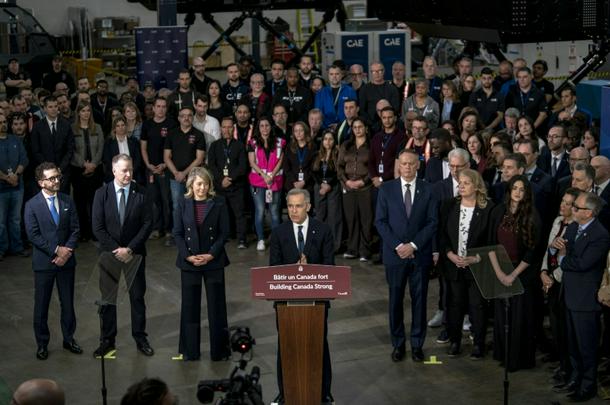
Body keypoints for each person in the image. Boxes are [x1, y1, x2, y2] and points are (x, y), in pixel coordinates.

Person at [268, 188, 335, 405]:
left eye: (298, 206)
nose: (293, 211)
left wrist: (310, 270)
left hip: (317, 303)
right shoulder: (278, 232)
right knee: (286, 345)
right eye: (290, 206)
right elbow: (273, 268)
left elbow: (330, 267)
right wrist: (293, 271)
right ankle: (284, 393)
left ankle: (324, 393)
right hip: (285, 304)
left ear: (308, 206)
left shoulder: (323, 230)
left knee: (319, 345)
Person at [375, 149, 439, 362]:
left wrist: (413, 245)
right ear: (398, 165)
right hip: (394, 256)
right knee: (395, 300)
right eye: (404, 163)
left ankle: (417, 344)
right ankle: (398, 344)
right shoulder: (386, 189)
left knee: (420, 301)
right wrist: (398, 246)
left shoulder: (428, 189)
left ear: (418, 165)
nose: (408, 167)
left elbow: (432, 222)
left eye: (411, 163)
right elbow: (380, 222)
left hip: (419, 255)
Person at [92, 154, 153, 357]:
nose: (128, 174)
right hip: (109, 255)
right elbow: (97, 227)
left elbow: (147, 224)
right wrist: (117, 249)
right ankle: (107, 341)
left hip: (135, 254)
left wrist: (130, 249)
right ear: (114, 171)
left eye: (131, 170)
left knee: (137, 297)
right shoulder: (101, 194)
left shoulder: (141, 192)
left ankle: (140, 338)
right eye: (124, 170)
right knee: (108, 299)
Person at [553, 192, 610, 401]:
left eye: (577, 207)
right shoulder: (573, 227)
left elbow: (582, 264)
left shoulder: (600, 235)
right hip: (569, 294)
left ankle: (588, 385)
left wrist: (562, 258)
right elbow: (562, 248)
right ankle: (575, 378)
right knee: (573, 344)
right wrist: (558, 248)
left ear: (590, 213)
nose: (572, 209)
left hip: (585, 300)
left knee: (586, 346)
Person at [24, 162, 82, 360]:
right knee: (42, 305)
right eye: (51, 178)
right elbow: (33, 235)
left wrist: (66, 252)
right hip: (44, 264)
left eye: (58, 177)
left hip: (67, 263)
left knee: (68, 303)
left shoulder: (67, 200)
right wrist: (57, 250)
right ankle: (42, 344)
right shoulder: (32, 205)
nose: (57, 181)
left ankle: (69, 339)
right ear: (41, 182)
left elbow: (75, 229)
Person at [173, 167, 231, 361]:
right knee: (189, 308)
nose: (202, 188)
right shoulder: (182, 202)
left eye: (206, 184)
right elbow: (178, 233)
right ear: (191, 185)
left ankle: (220, 352)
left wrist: (211, 255)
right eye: (199, 184)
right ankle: (189, 351)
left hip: (213, 261)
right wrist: (187, 256)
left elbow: (224, 233)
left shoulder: (219, 202)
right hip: (189, 262)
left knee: (217, 308)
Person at [439, 169, 494, 359]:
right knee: (455, 304)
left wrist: (476, 258)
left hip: (477, 266)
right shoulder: (449, 205)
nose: (461, 186)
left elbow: (492, 240)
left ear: (477, 186)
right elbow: (442, 235)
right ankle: (455, 342)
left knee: (477, 306)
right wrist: (449, 254)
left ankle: (478, 344)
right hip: (454, 265)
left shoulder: (488, 209)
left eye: (466, 183)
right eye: (460, 183)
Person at [489, 175, 541, 372]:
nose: (518, 192)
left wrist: (512, 275)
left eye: (522, 189)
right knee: (501, 316)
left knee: (519, 318)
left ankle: (518, 360)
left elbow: (532, 252)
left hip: (522, 273)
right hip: (499, 270)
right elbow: (491, 244)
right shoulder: (498, 211)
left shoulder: (532, 215)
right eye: (515, 188)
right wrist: (499, 272)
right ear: (509, 190)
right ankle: (503, 354)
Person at [540, 187, 579, 387]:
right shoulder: (557, 221)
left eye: (568, 203)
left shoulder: (576, 228)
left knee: (565, 330)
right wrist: (543, 272)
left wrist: (552, 278)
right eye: (562, 201)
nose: (562, 205)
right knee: (556, 327)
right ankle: (563, 365)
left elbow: (569, 259)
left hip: (564, 284)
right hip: (551, 280)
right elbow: (549, 250)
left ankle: (569, 369)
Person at [163, 106, 206, 246]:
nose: (186, 118)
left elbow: (199, 159)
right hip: (175, 178)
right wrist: (177, 173)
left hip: (194, 178)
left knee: (194, 205)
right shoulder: (172, 134)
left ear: (192, 117)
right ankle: (177, 234)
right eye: (183, 115)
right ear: (178, 118)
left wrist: (185, 173)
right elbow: (166, 157)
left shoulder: (198, 135)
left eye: (189, 115)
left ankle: (193, 234)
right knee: (177, 206)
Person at [207, 116, 249, 248]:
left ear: (233, 128)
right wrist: (221, 179)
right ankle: (224, 236)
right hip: (220, 186)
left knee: (239, 214)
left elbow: (243, 166)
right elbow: (212, 165)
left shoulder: (239, 145)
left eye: (230, 127)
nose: (227, 130)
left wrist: (230, 179)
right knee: (221, 213)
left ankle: (241, 240)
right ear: (220, 128)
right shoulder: (214, 145)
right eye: (224, 127)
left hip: (236, 186)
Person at [140, 97, 176, 242]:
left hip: (166, 168)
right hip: (151, 169)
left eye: (163, 106)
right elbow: (143, 147)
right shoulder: (147, 124)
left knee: (167, 200)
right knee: (154, 200)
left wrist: (165, 165)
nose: (161, 109)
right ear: (153, 108)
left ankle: (168, 229)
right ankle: (156, 228)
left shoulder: (172, 124)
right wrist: (148, 164)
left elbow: (174, 147)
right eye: (158, 106)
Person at [247, 116, 286, 251]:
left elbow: (280, 161)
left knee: (274, 211)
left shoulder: (280, 142)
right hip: (258, 182)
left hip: (275, 181)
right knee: (260, 211)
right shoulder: (252, 143)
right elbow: (252, 162)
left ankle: (275, 240)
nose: (264, 128)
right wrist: (264, 176)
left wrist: (272, 175)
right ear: (258, 128)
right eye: (262, 126)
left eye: (267, 125)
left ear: (271, 127)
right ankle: (261, 239)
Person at [337, 117, 373, 261]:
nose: (357, 130)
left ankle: (365, 251)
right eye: (355, 127)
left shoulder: (371, 146)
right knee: (351, 219)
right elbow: (339, 166)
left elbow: (373, 167)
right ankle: (352, 249)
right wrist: (347, 182)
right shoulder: (346, 145)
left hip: (366, 187)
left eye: (360, 127)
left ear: (366, 128)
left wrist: (363, 181)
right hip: (348, 187)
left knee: (366, 219)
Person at [70, 102, 104, 242]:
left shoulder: (98, 128)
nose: (86, 113)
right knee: (80, 203)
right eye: (83, 110)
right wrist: (84, 164)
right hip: (78, 171)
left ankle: (96, 232)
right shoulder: (72, 129)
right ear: (78, 112)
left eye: (88, 110)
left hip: (96, 170)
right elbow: (72, 150)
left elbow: (101, 147)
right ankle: (84, 232)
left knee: (95, 202)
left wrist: (93, 164)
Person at [30, 96, 75, 193]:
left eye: (55, 106)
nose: (54, 109)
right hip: (45, 173)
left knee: (64, 199)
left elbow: (70, 149)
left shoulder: (66, 125)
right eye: (50, 107)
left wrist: (60, 168)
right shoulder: (37, 127)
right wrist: (49, 168)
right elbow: (35, 150)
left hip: (63, 172)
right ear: (44, 109)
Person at [0, 112, 29, 260]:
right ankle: (2, 249)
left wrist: (16, 175)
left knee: (15, 220)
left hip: (17, 187)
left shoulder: (15, 140)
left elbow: (24, 159)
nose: (3, 125)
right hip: (1, 189)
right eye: (0, 123)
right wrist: (6, 177)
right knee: (1, 222)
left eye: (4, 122)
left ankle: (17, 247)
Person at [312, 129, 342, 252]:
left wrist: (329, 185)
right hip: (320, 187)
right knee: (320, 216)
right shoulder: (317, 154)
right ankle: (320, 244)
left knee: (334, 217)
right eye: (325, 139)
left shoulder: (338, 154)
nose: (327, 142)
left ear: (334, 141)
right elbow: (314, 172)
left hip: (333, 187)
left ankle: (334, 246)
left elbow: (339, 173)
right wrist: (321, 184)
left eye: (330, 139)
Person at [102, 115, 143, 184]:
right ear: (114, 128)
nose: (121, 128)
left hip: (133, 175)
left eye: (122, 125)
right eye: (118, 126)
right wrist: (119, 174)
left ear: (126, 126)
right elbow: (107, 161)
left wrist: (130, 172)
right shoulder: (109, 143)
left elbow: (138, 160)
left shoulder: (134, 141)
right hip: (114, 177)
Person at [315, 64, 357, 128]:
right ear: (328, 76)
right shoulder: (321, 93)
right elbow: (318, 113)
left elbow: (354, 112)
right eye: (331, 74)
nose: (334, 76)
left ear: (341, 75)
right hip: (326, 128)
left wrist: (342, 125)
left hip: (345, 127)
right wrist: (326, 127)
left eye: (337, 74)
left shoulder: (350, 91)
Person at [283, 121, 316, 199]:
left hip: (308, 184)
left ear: (306, 131)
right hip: (292, 184)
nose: (298, 133)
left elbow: (314, 168)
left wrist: (304, 181)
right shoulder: (289, 147)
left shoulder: (313, 147)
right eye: (296, 131)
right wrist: (295, 181)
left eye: (301, 130)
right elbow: (286, 167)